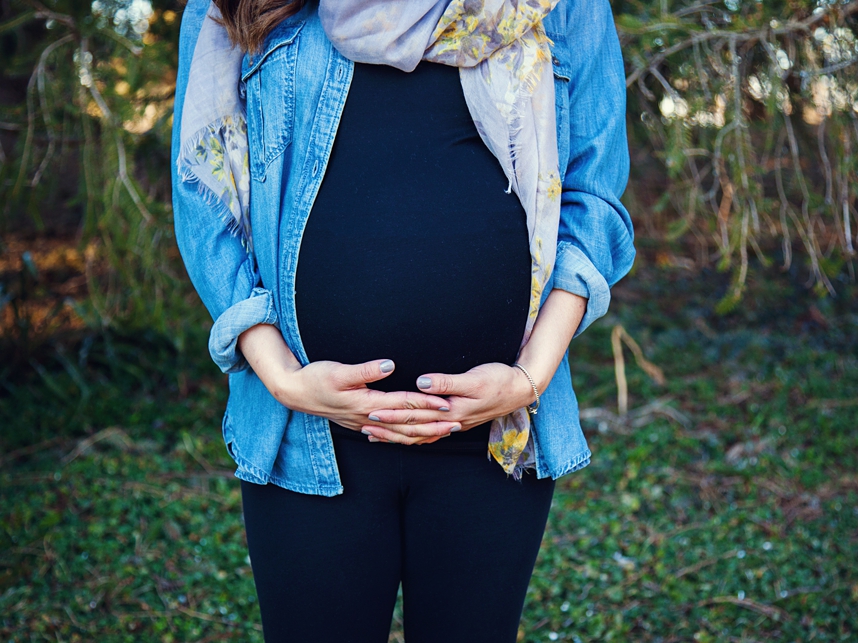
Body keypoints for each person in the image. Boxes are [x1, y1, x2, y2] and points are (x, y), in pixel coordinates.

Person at [171, 0, 634, 640]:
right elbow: (204, 190)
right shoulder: (236, 4)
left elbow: (595, 198)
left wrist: (530, 378)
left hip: (492, 437)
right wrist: (284, 380)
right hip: (307, 432)